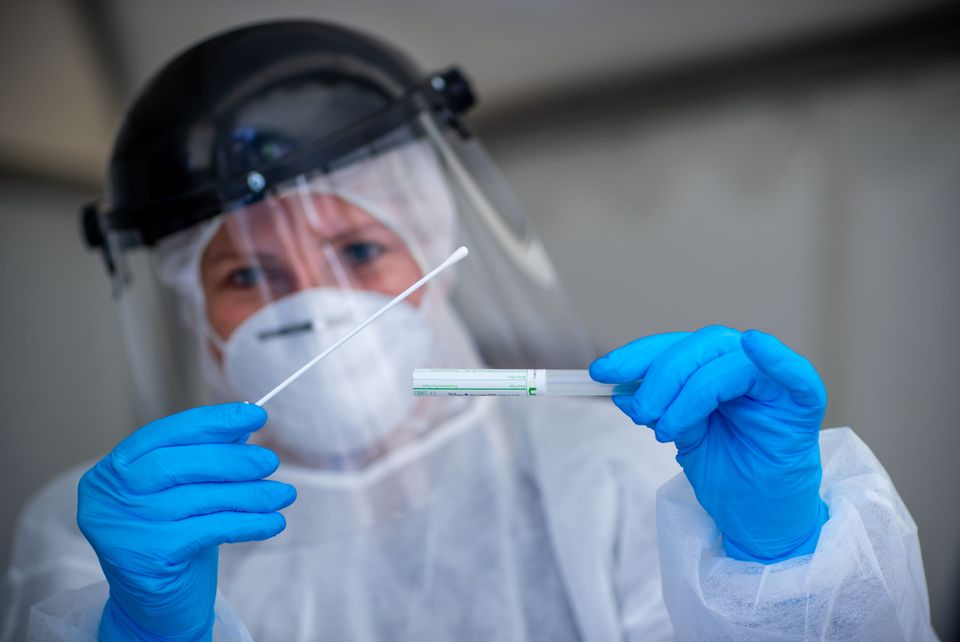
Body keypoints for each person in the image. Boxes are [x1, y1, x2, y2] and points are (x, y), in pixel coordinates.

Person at [0, 20, 935, 642]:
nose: (312, 308)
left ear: (435, 259)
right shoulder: (103, 540)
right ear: (196, 316)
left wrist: (782, 570)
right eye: (247, 275)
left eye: (361, 252)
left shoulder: (618, 471)